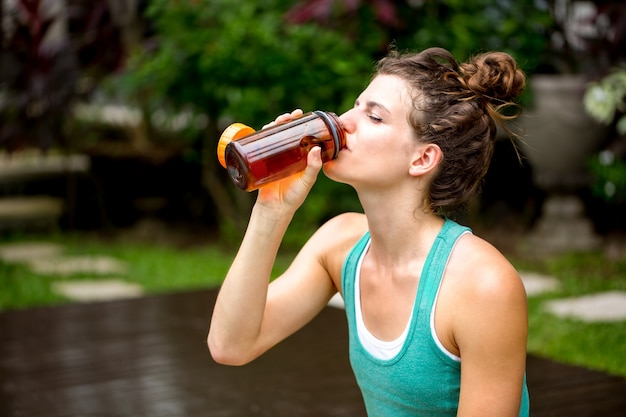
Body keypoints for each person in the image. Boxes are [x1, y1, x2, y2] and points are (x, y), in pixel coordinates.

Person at [208, 46, 529, 416]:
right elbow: (230, 345)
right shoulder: (340, 244)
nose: (344, 121)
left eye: (374, 117)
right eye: (356, 105)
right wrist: (271, 210)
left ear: (422, 159)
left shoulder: (482, 285)